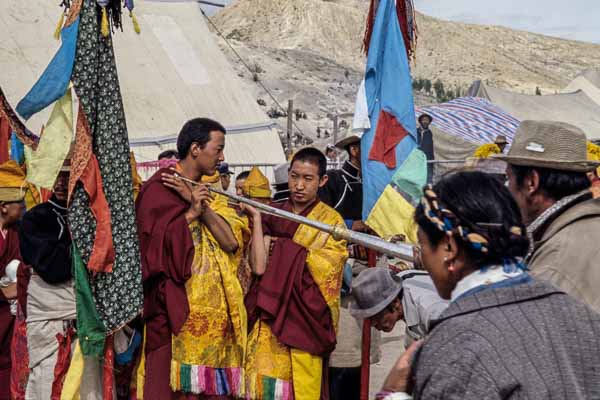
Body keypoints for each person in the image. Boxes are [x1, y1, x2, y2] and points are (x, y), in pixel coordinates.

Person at [379, 171, 600, 400]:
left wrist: (392, 396)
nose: (422, 258)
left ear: (449, 248)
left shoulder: (457, 345)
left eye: (423, 246)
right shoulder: (581, 316)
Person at [137, 118, 247, 399]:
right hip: (172, 312)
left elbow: (231, 242)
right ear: (196, 149)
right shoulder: (159, 188)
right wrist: (189, 215)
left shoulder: (205, 192)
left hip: (211, 321)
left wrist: (197, 205)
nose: (222, 157)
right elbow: (149, 250)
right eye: (218, 148)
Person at [244, 147, 348, 400]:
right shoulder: (273, 214)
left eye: (308, 178)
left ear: (322, 181)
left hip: (302, 324)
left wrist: (279, 249)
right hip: (267, 320)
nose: (299, 185)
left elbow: (328, 273)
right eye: (294, 176)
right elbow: (256, 266)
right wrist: (258, 223)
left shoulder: (331, 222)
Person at [494, 120, 600, 312]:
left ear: (531, 183)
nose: (506, 189)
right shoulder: (588, 224)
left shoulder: (553, 266)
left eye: (508, 178)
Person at [349, 268, 448, 344]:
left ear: (395, 302)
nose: (374, 324)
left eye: (376, 317)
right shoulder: (396, 285)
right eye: (370, 319)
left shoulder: (432, 311)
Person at [0, 161, 26, 400]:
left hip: (10, 315)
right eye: (19, 204)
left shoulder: (17, 231)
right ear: (4, 207)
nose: (23, 208)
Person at [319, 134, 363, 222]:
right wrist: (350, 225)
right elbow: (320, 217)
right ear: (353, 150)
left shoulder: (369, 181)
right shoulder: (332, 178)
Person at [416, 114, 434, 183]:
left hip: (427, 159)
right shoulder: (416, 131)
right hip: (416, 159)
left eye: (427, 120)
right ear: (420, 121)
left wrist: (431, 162)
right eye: (424, 120)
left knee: (427, 178)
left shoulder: (429, 133)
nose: (425, 122)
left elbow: (430, 148)